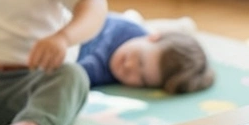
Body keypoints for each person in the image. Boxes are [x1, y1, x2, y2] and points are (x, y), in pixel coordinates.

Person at [78, 12, 214, 94]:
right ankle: (179, 26)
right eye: (140, 59)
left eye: (143, 79)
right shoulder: (95, 59)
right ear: (153, 37)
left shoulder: (147, 48)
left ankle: (179, 26)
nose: (129, 66)